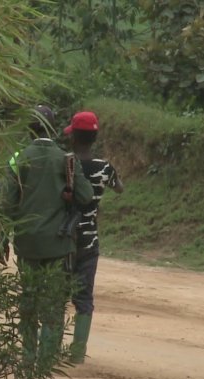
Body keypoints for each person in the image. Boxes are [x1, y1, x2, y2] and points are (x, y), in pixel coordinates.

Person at [0, 105, 93, 370]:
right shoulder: (66, 159)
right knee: (53, 302)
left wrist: (5, 236)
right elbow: (85, 197)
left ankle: (27, 357)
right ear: (53, 129)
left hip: (27, 242)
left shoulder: (18, 158)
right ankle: (46, 361)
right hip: (58, 243)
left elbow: (6, 203)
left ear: (30, 128)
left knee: (28, 299)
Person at [64, 111, 124, 364]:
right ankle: (77, 353)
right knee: (84, 297)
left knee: (57, 295)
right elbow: (120, 188)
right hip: (90, 239)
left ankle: (48, 351)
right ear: (95, 137)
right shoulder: (104, 167)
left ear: (73, 136)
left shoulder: (65, 163)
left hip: (63, 238)